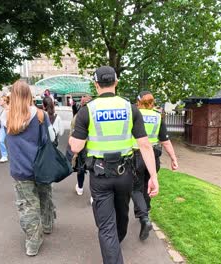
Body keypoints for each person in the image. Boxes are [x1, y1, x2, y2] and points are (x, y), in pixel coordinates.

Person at [69, 66, 159, 264]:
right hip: (125, 173)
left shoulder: (87, 110)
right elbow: (144, 145)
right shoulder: (130, 108)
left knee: (106, 226)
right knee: (122, 216)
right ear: (116, 83)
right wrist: (153, 176)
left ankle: (113, 247)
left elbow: (75, 147)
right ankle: (115, 245)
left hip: (100, 176)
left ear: (96, 84)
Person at [6, 80, 56, 257]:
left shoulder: (6, 116)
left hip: (20, 169)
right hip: (41, 166)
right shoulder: (41, 115)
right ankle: (48, 225)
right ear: (29, 95)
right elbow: (51, 137)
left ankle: (32, 243)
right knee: (45, 196)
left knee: (27, 205)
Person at [132, 91, 179, 241]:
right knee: (148, 184)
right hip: (153, 157)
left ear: (138, 101)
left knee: (135, 188)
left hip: (136, 155)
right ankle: (146, 210)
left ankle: (144, 217)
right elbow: (165, 140)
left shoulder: (134, 114)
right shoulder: (158, 116)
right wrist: (173, 158)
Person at [0, 95, 9, 163]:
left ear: (5, 101)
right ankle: (4, 156)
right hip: (2, 128)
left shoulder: (10, 108)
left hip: (10, 128)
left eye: (0, 100)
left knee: (12, 142)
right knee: (0, 141)